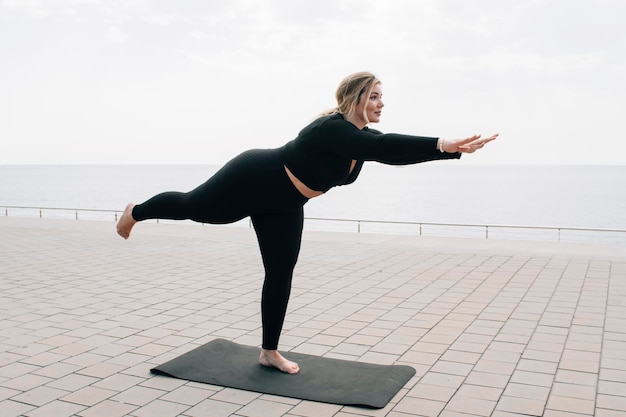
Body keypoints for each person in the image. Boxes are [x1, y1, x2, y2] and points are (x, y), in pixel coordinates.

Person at [117, 71, 498, 374]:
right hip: (254, 177)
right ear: (355, 98)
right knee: (193, 207)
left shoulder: (361, 138)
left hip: (286, 202)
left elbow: (389, 153)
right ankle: (137, 211)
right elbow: (383, 148)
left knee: (280, 272)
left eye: (382, 96)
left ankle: (269, 352)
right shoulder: (331, 128)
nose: (382, 103)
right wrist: (442, 143)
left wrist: (449, 153)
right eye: (375, 95)